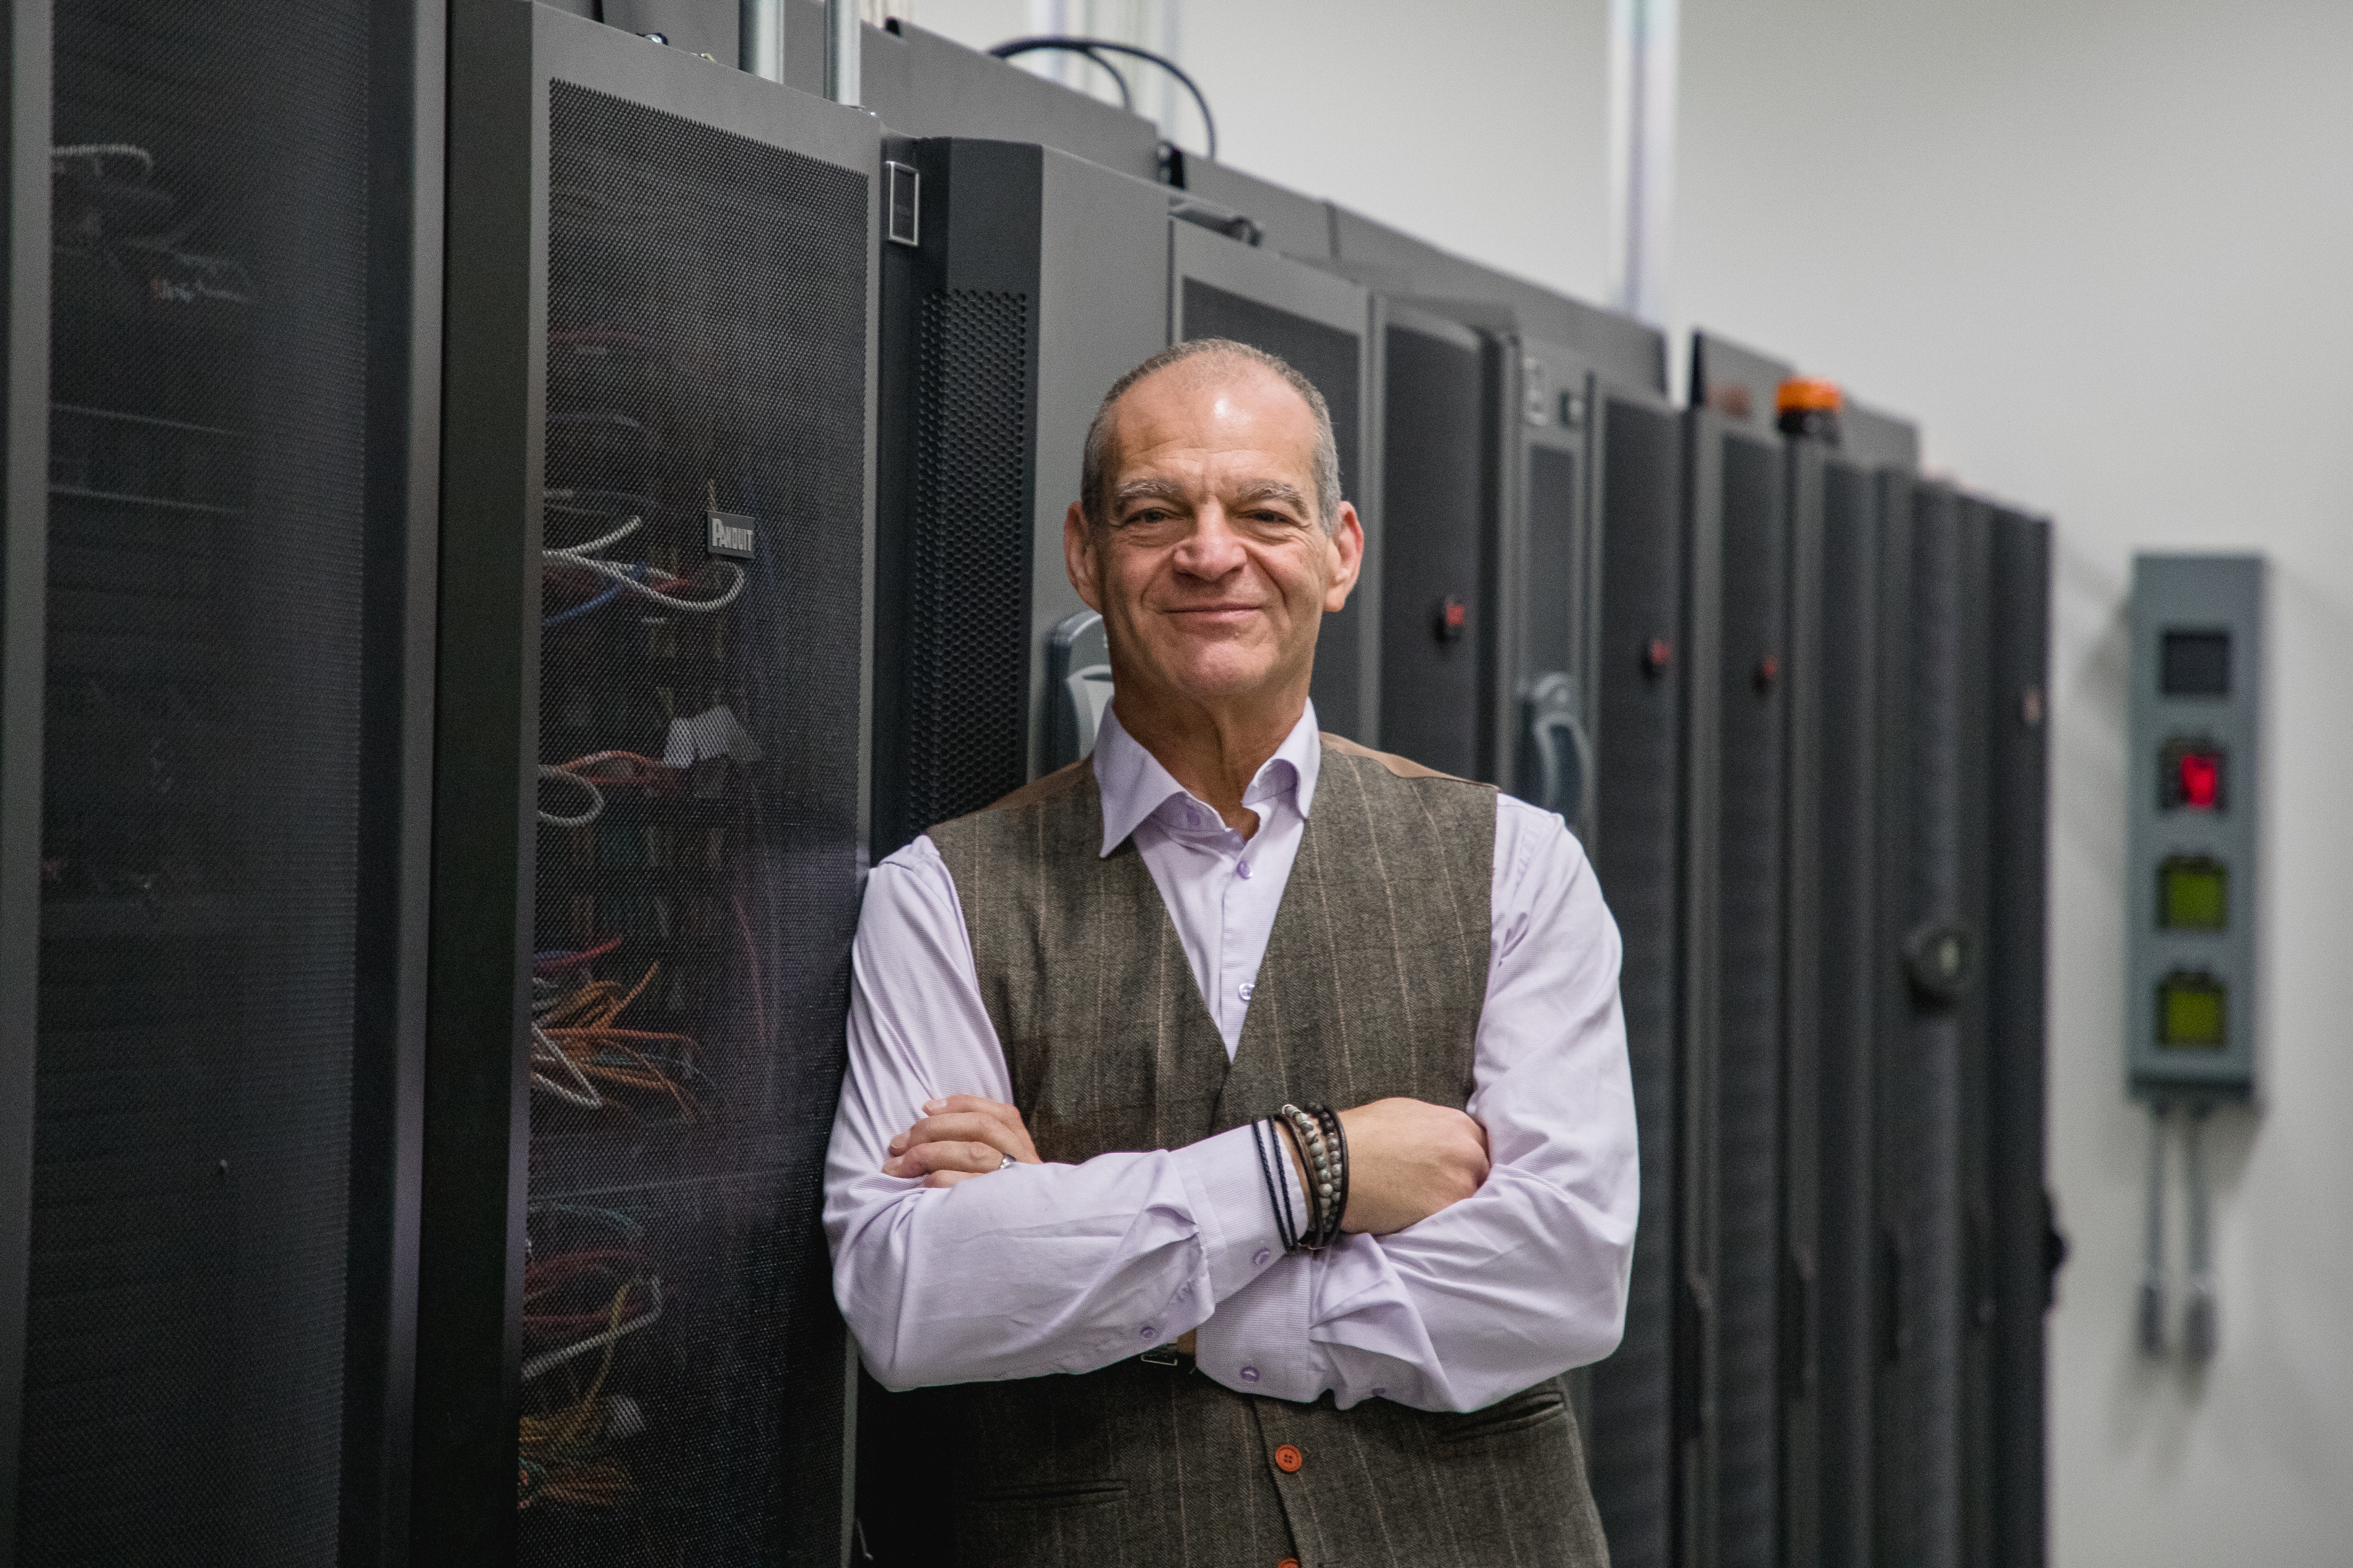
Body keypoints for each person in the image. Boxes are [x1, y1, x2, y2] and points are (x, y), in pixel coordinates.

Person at [824, 337, 1637, 1568]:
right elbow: (912, 1294)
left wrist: (1097, 1264)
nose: (1211, 552)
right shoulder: (936, 895)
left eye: (1263, 510)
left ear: (1339, 551)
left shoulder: (1514, 865)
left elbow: (1564, 1267)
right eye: (1156, 513)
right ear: (1086, 555)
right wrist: (1310, 1171)